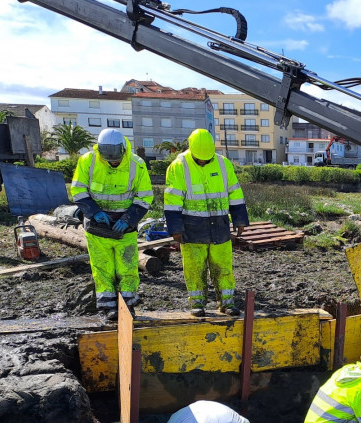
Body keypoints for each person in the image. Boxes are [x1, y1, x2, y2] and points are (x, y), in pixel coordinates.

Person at [164, 129, 249, 317]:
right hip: (192, 228)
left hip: (219, 226)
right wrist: (175, 228)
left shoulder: (223, 164)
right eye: (199, 158)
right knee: (195, 269)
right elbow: (172, 200)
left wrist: (239, 219)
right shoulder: (179, 166)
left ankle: (227, 303)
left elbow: (234, 192)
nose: (202, 161)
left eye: (206, 158)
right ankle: (197, 304)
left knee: (224, 267)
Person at [70, 128, 153, 321]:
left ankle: (128, 305)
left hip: (125, 227)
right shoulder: (87, 161)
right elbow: (78, 191)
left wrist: (128, 219)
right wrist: (94, 212)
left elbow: (145, 197)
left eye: (116, 160)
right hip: (98, 226)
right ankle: (108, 308)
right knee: (102, 268)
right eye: (109, 160)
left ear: (123, 149)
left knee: (127, 267)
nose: (113, 163)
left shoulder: (136, 165)